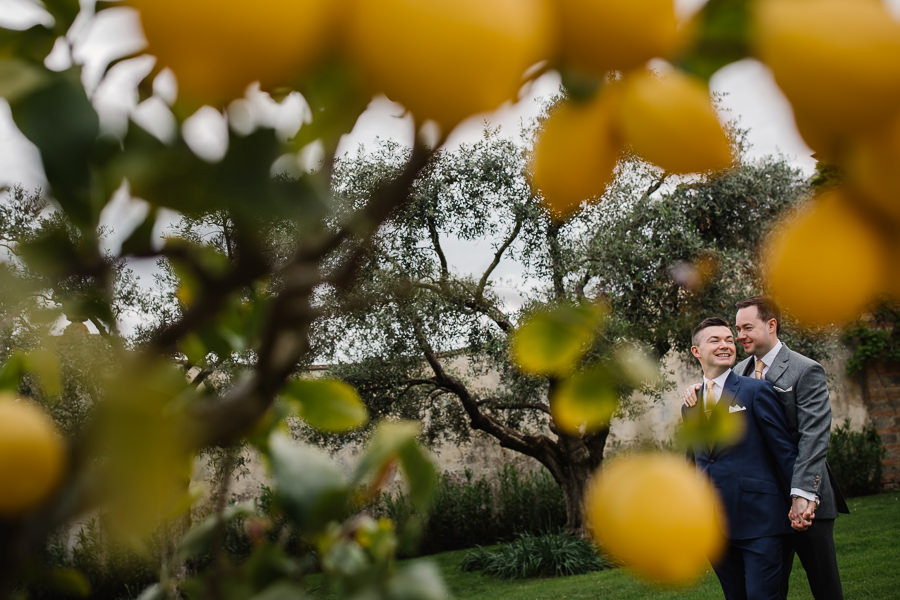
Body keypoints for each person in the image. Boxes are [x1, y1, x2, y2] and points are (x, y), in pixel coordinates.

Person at [683, 296, 849, 600]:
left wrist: (801, 495)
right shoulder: (741, 368)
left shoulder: (804, 369)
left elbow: (813, 437)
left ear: (771, 325)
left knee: (825, 588)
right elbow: (722, 386)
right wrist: (698, 389)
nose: (739, 337)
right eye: (737, 330)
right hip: (763, 504)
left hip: (806, 496)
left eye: (746, 328)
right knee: (771, 589)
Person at [683, 317, 797, 600]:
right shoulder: (690, 406)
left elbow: (783, 451)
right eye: (715, 340)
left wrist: (799, 498)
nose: (725, 345)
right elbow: (695, 461)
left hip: (761, 521)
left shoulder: (755, 391)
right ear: (696, 352)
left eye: (728, 339)